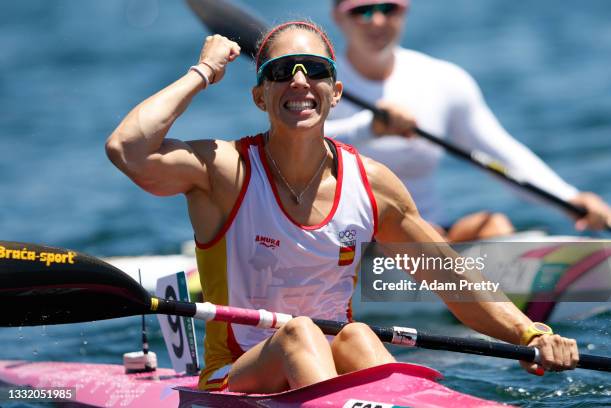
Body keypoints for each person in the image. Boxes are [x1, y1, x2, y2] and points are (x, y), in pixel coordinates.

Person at [106, 20, 578, 394]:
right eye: (280, 71)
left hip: (335, 364)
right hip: (237, 374)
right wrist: (203, 72)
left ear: (335, 91)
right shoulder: (222, 170)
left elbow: (449, 277)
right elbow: (127, 149)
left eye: (314, 69)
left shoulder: (373, 186)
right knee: (301, 333)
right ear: (260, 96)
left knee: (356, 336)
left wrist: (530, 335)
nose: (298, 81)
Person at [327, 0, 611, 242]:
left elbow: (500, 154)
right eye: (362, 10)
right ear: (338, 16)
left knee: (494, 227)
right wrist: (370, 128)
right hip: (352, 243)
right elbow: (291, 146)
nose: (377, 21)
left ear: (405, 10)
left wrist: (571, 199)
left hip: (432, 235)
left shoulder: (442, 80)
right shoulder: (318, 85)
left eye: (389, 8)